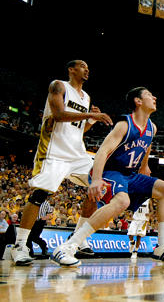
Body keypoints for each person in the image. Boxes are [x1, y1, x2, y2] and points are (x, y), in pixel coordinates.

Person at [50, 87, 164, 267]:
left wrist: (144, 164)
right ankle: (68, 246)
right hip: (110, 171)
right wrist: (97, 179)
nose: (154, 97)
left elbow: (147, 146)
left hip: (129, 174)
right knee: (122, 201)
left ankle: (163, 246)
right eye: (148, 95)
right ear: (137, 101)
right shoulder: (124, 124)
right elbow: (102, 151)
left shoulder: (151, 127)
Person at [12, 60, 113, 266]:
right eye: (83, 66)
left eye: (88, 68)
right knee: (40, 194)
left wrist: (90, 122)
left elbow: (78, 128)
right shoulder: (58, 85)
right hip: (53, 151)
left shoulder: (86, 97)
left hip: (76, 153)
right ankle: (20, 245)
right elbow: (58, 115)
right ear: (71, 69)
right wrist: (91, 114)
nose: (87, 70)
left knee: (98, 185)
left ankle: (75, 240)